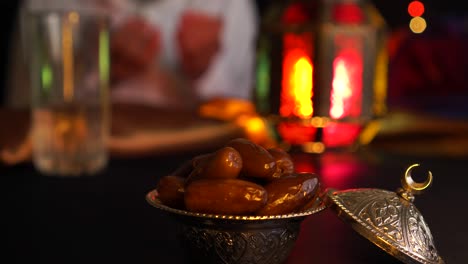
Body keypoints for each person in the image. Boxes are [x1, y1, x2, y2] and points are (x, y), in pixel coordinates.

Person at [6, 0, 258, 110]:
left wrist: (205, 71)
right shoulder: (46, 6)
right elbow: (24, 115)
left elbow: (246, 122)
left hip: (196, 180)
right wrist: (99, 69)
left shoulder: (229, 5)